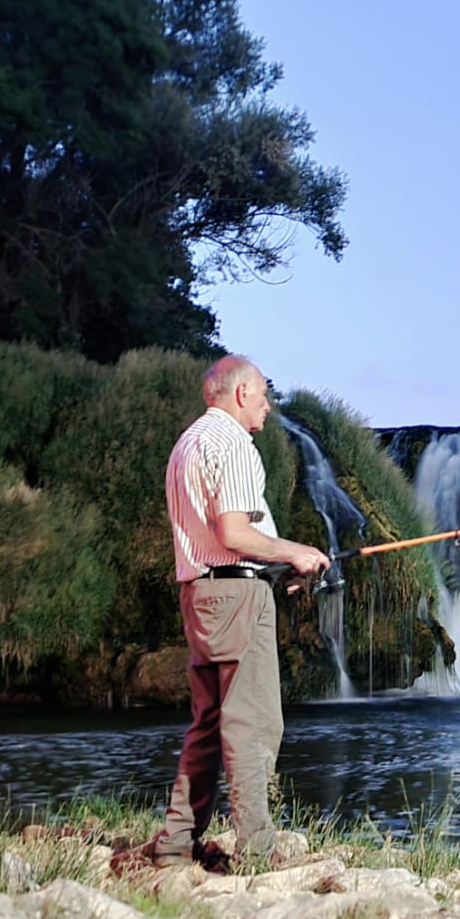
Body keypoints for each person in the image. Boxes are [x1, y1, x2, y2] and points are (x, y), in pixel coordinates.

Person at [153, 355, 329, 868]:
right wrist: (294, 552)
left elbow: (215, 540)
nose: (269, 406)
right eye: (263, 395)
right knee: (253, 723)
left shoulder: (186, 443)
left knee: (208, 724)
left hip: (200, 596)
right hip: (235, 599)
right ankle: (257, 849)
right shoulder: (233, 445)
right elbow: (233, 534)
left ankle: (175, 844)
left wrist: (276, 566)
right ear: (241, 393)